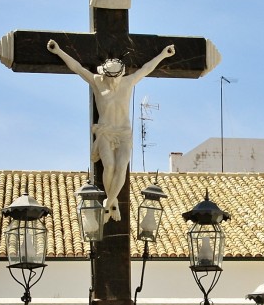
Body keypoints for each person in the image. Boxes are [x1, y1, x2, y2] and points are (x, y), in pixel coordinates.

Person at [47, 39, 175, 221]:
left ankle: (110, 202)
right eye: (111, 77)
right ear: (105, 74)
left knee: (122, 166)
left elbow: (146, 69)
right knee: (110, 166)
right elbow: (77, 68)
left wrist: (163, 55)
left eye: (117, 76)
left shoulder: (128, 82)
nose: (114, 80)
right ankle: (112, 202)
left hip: (124, 132)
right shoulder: (97, 82)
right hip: (105, 131)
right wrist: (58, 51)